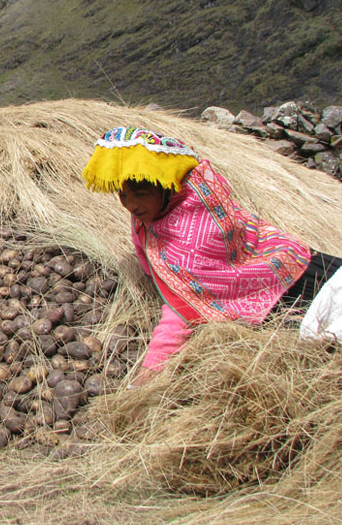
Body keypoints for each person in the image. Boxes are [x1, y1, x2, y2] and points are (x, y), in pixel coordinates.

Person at [81, 127, 342, 386]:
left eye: (140, 194)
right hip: (300, 263)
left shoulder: (194, 231)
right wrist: (158, 275)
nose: (130, 204)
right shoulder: (154, 211)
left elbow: (179, 317)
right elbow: (144, 248)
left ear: (167, 186)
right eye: (123, 194)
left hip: (307, 293)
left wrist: (149, 373)